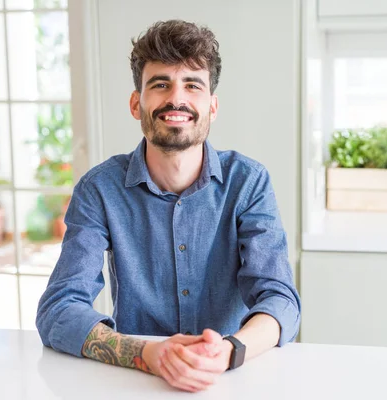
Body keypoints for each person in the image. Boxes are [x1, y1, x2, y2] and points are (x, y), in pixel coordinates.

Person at [36, 19, 301, 393]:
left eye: (192, 85)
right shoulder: (99, 189)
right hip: (132, 379)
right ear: (136, 102)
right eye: (160, 84)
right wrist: (149, 354)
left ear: (212, 106)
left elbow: (280, 300)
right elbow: (58, 310)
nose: (177, 98)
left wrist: (226, 352)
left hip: (232, 379)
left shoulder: (249, 182)